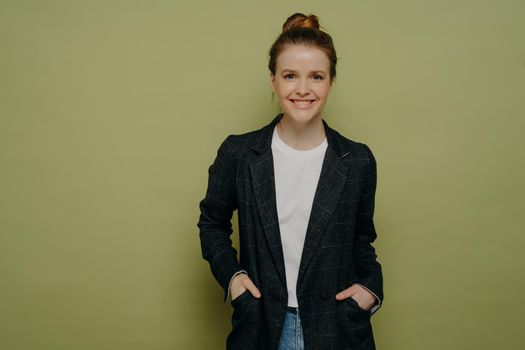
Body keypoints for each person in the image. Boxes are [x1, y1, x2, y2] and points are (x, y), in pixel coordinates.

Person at [197, 12, 384, 350]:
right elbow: (212, 224)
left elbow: (361, 241)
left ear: (330, 82)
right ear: (273, 80)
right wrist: (234, 280)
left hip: (337, 330)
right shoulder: (239, 154)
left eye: (316, 76)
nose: (302, 89)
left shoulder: (357, 161)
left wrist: (370, 290)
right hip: (261, 326)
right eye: (289, 76)